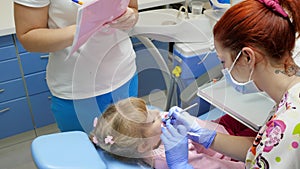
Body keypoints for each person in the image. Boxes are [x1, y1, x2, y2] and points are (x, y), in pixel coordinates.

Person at [161, 0, 300, 168]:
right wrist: (207, 136)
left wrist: (180, 166)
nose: (224, 70)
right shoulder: (290, 96)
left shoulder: (290, 124)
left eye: (223, 61)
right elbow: (263, 148)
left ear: (248, 57)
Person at [13, 0, 139, 132]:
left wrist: (130, 16)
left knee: (129, 143)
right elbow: (28, 37)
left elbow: (133, 8)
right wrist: (83, 29)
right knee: (84, 149)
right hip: (78, 91)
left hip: (125, 75)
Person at [90, 97, 245, 169]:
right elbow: (216, 166)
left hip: (220, 133)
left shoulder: (154, 138)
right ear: (143, 145)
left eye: (150, 110)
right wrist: (245, 165)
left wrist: (193, 124)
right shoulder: (171, 158)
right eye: (152, 119)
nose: (158, 112)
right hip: (230, 152)